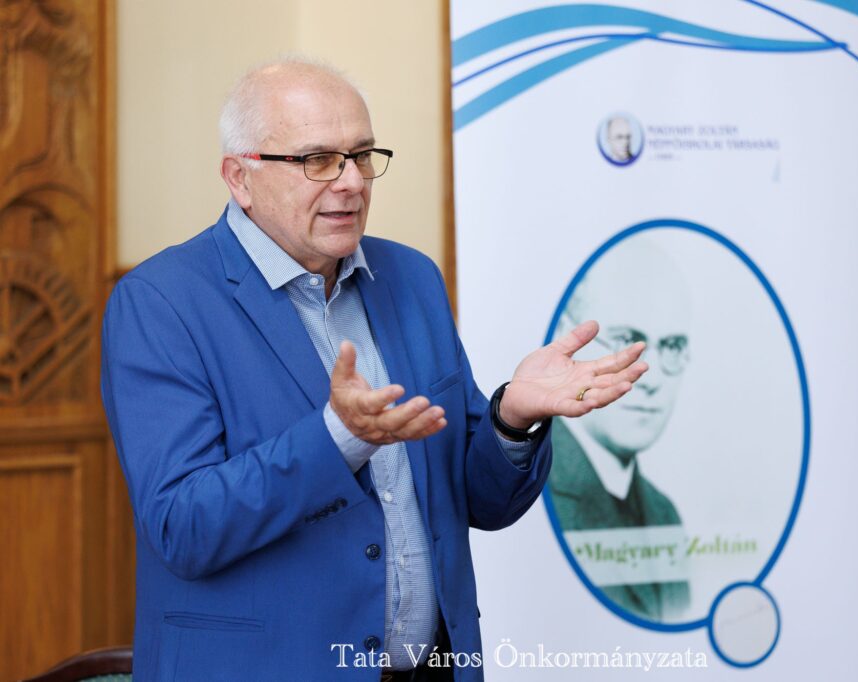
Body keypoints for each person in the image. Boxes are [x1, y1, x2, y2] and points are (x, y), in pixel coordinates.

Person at [100, 58, 647, 681]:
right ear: (239, 177)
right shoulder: (161, 302)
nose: (352, 182)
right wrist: (338, 439)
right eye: (318, 160)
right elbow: (182, 526)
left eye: (362, 155)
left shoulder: (411, 278)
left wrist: (511, 420)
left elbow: (479, 502)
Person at [547, 234, 692, 623]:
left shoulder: (665, 515)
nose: (652, 376)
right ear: (566, 338)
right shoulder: (528, 491)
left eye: (672, 346)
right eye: (627, 340)